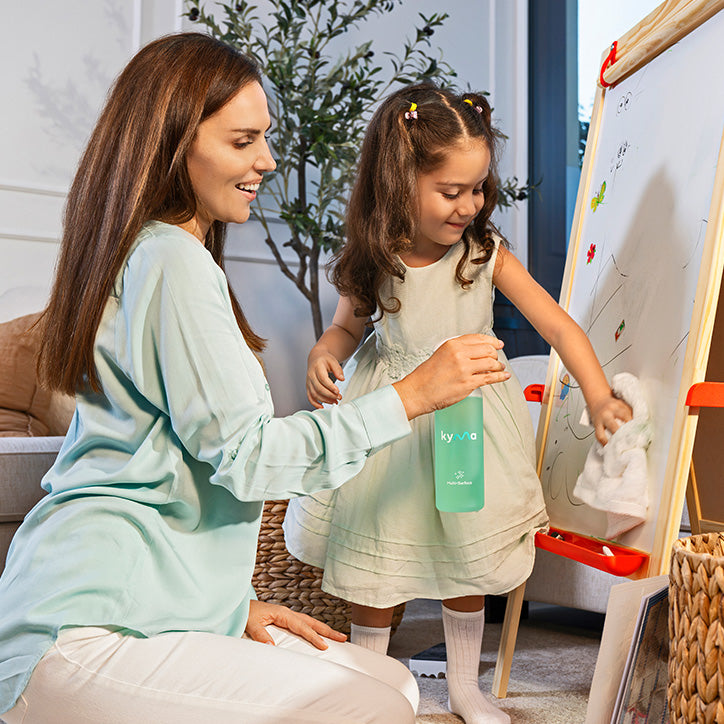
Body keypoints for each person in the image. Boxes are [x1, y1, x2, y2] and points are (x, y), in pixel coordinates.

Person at [0, 36, 512, 724]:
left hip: (136, 604)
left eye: (264, 138)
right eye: (244, 141)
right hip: (80, 632)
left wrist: (228, 605)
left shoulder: (156, 255)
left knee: (393, 685)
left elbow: (157, 464)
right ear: (176, 142)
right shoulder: (169, 263)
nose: (266, 161)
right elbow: (248, 460)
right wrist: (411, 395)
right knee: (372, 707)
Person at [283, 83, 633, 724]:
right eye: (452, 191)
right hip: (389, 420)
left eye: (478, 189)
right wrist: (321, 353)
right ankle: (375, 689)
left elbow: (558, 325)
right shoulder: (376, 259)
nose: (470, 205)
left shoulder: (483, 255)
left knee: (466, 558)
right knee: (377, 563)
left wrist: (600, 394)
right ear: (398, 182)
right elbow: (344, 329)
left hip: (464, 422)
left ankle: (467, 690)